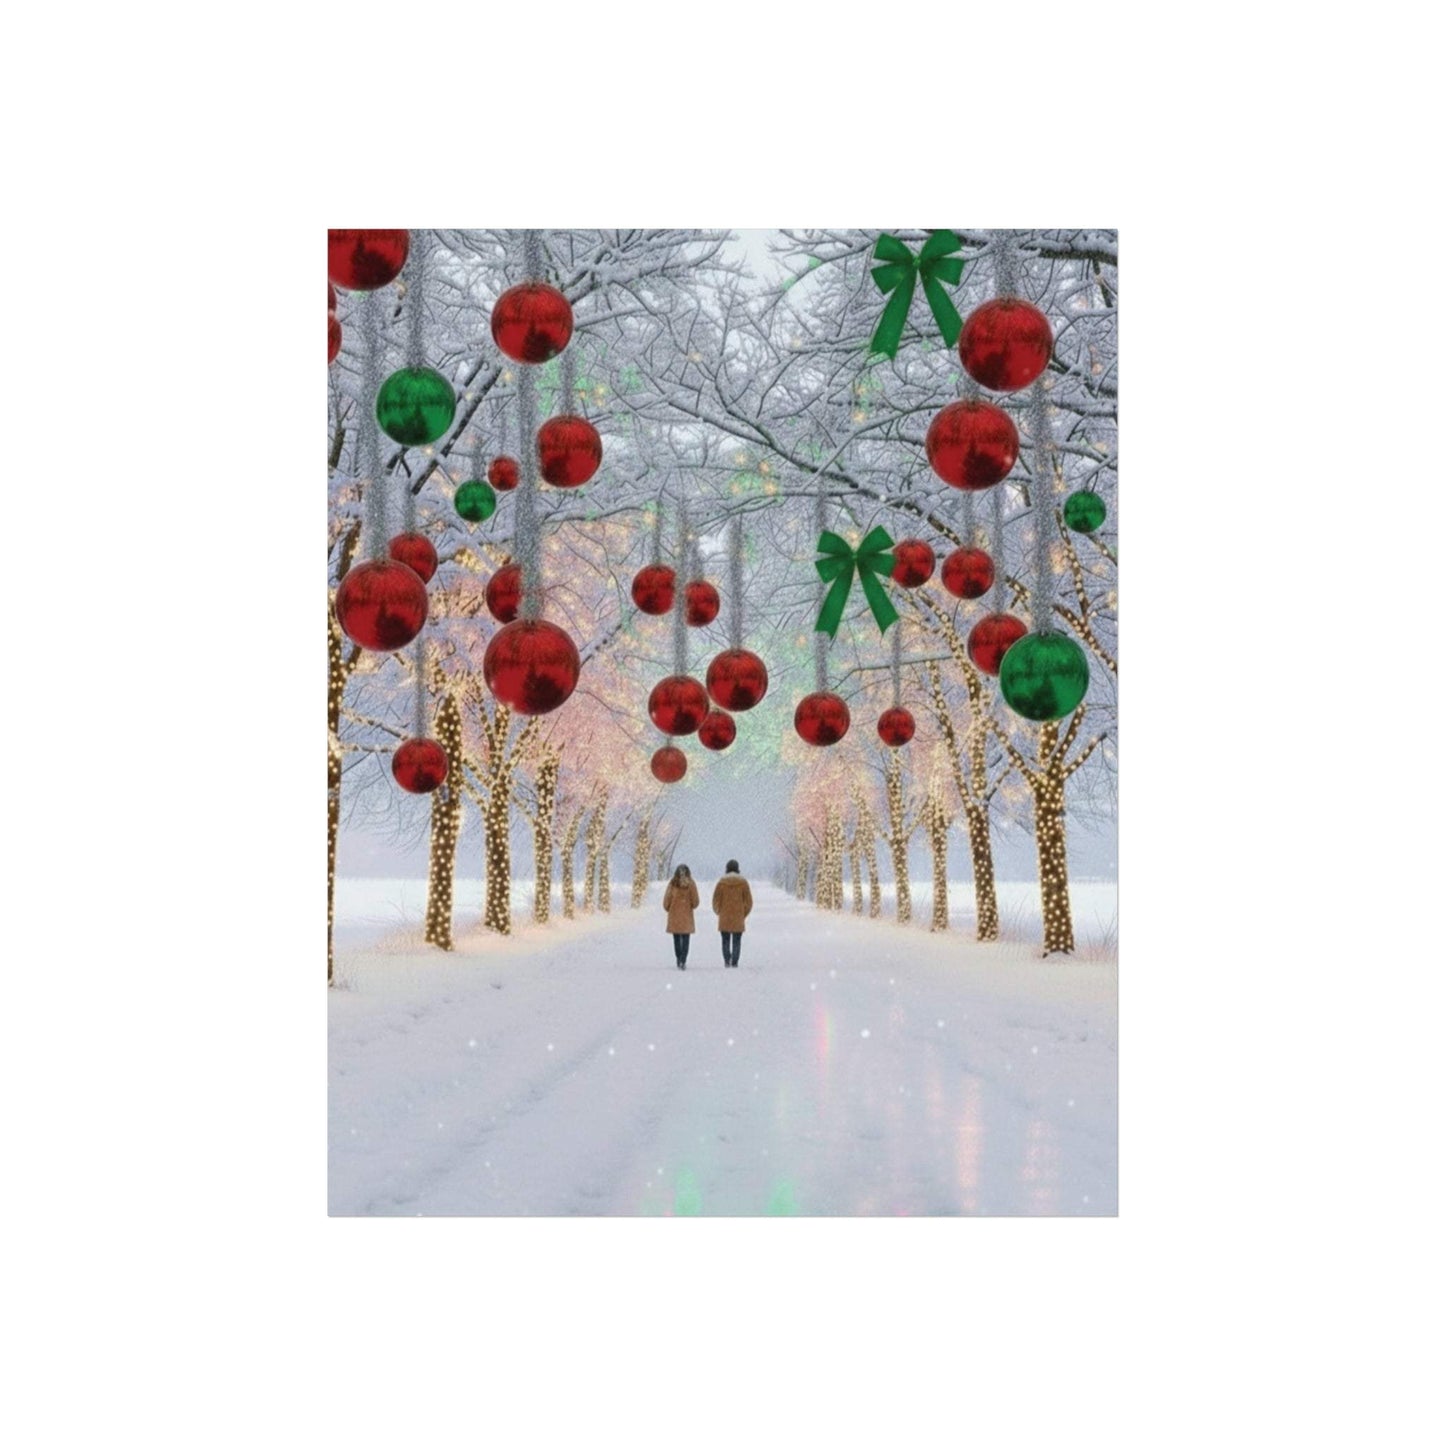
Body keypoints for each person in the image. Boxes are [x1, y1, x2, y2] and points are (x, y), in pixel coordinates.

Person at [711, 859, 753, 968]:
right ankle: (734, 961)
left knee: (725, 940)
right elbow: (749, 902)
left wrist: (718, 911)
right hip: (738, 917)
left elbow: (715, 900)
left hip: (724, 916)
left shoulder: (721, 883)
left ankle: (727, 960)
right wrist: (743, 913)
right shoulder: (743, 883)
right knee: (737, 941)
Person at [663, 864, 699, 969]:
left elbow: (666, 901)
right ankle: (683, 959)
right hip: (687, 916)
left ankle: (678, 958)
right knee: (686, 939)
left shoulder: (672, 884)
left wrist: (668, 907)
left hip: (674, 916)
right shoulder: (691, 884)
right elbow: (695, 902)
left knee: (677, 939)